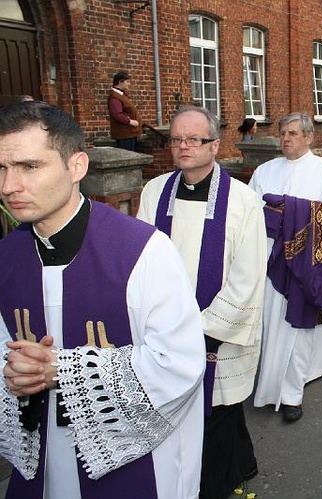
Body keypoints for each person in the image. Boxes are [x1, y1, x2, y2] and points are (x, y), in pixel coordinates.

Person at [0, 102, 205, 498]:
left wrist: (65, 371)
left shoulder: (143, 251)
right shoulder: (6, 258)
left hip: (132, 459)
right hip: (42, 454)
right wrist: (15, 371)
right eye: (2, 169)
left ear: (77, 167)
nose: (9, 186)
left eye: (29, 167)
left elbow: (180, 363)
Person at [137, 105, 266, 499]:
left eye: (194, 139)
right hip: (165, 330)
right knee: (173, 412)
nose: (183, 146)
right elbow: (139, 262)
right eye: (176, 139)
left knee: (219, 412)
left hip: (215, 335)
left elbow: (247, 277)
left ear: (214, 145)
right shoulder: (154, 192)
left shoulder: (243, 201)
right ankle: (237, 465)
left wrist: (207, 331)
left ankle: (215, 486)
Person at [249, 112, 322, 422]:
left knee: (297, 331)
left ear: (309, 137)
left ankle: (292, 394)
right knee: (269, 326)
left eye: (293, 133)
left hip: (306, 265)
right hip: (269, 261)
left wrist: (295, 214)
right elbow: (247, 212)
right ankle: (265, 384)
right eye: (283, 133)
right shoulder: (264, 171)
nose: (285, 138)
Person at [107, 71, 142, 151]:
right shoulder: (114, 97)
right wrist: (130, 121)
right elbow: (117, 115)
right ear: (120, 82)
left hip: (130, 134)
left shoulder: (121, 95)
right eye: (127, 82)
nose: (128, 84)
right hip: (124, 135)